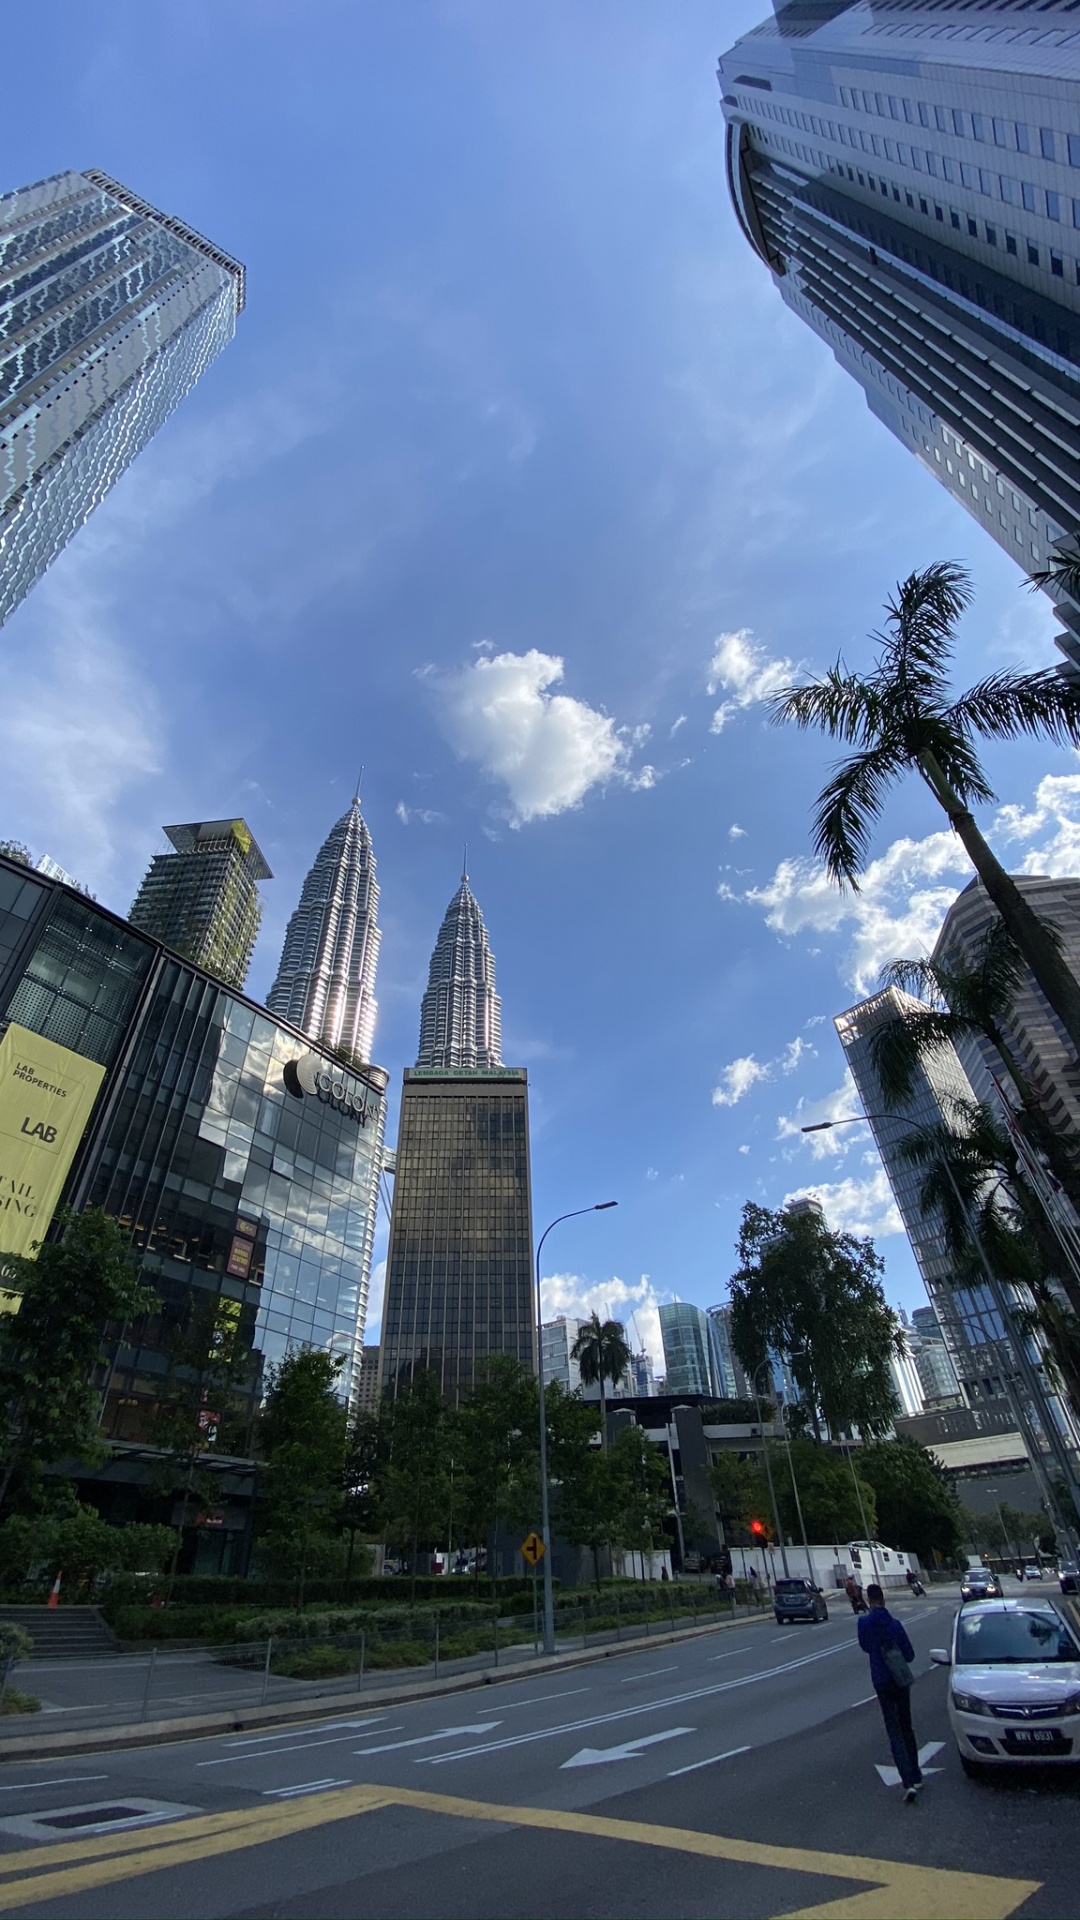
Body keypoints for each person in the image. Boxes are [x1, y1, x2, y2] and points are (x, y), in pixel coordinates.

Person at [858, 1582, 923, 1803]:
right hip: (900, 1680)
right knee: (906, 1726)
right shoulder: (895, 1625)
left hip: (881, 1681)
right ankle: (915, 1772)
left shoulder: (864, 1623)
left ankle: (907, 1781)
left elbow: (865, 1646)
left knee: (893, 1729)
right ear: (883, 1599)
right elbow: (910, 1654)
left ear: (869, 1599)